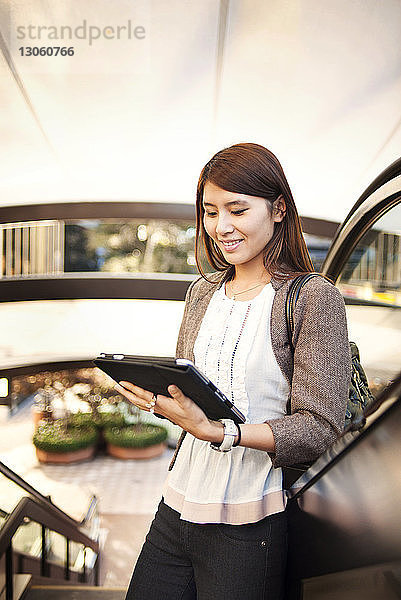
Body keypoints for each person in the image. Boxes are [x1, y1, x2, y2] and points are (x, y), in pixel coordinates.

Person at [117, 143, 351, 600]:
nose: (220, 227)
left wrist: (223, 433)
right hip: (175, 508)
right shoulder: (202, 292)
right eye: (209, 211)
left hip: (249, 524)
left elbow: (321, 428)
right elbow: (196, 400)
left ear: (279, 208)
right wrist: (164, 404)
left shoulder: (312, 298)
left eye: (237, 209)